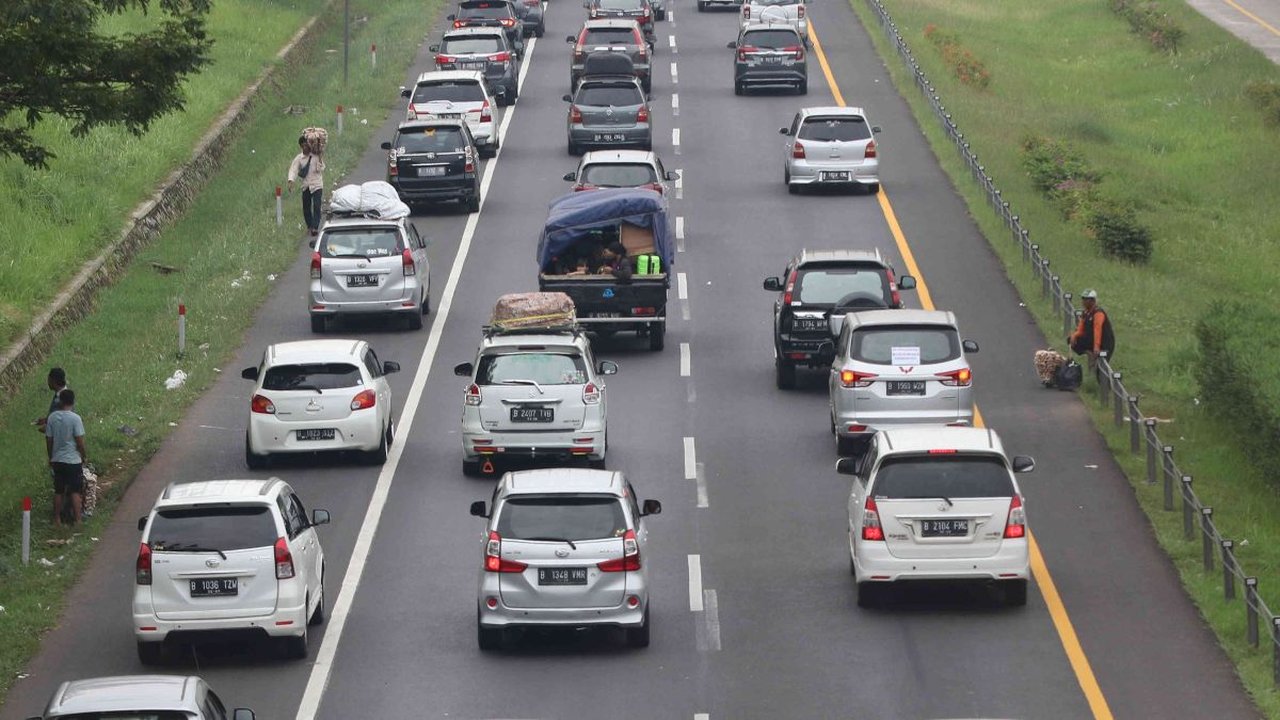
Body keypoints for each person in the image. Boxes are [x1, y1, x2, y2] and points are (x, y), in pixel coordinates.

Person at [45, 389, 86, 528]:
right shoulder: (75, 418)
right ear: (73, 402)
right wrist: (83, 455)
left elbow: (49, 440)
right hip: (73, 460)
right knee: (75, 491)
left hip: (57, 460)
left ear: (60, 401)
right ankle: (78, 520)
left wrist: (51, 457)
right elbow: (79, 441)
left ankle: (57, 519)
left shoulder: (52, 418)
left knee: (58, 490)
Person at [287, 135, 325, 239]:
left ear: (310, 145)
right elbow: (293, 169)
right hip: (306, 186)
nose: (305, 148)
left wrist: (320, 157)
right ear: (301, 147)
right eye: (303, 146)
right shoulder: (299, 158)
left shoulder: (315, 156)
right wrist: (291, 181)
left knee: (317, 206)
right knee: (306, 207)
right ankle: (309, 225)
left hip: (317, 185)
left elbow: (320, 169)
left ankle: (315, 227)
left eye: (307, 145)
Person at [1068, 289, 1115, 368]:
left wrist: (1096, 346)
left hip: (1104, 342)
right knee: (1071, 340)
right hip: (1092, 339)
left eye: (1086, 299)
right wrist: (1074, 335)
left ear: (1092, 301)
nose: (1083, 301)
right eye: (1083, 299)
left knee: (1101, 370)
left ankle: (1095, 359)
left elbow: (1098, 330)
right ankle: (1089, 353)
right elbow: (1081, 329)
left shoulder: (1098, 313)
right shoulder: (1086, 312)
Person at [33, 367, 68, 434]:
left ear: (53, 381)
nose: (47, 382)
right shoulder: (62, 395)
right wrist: (46, 420)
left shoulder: (62, 399)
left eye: (49, 380)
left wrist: (48, 428)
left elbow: (62, 421)